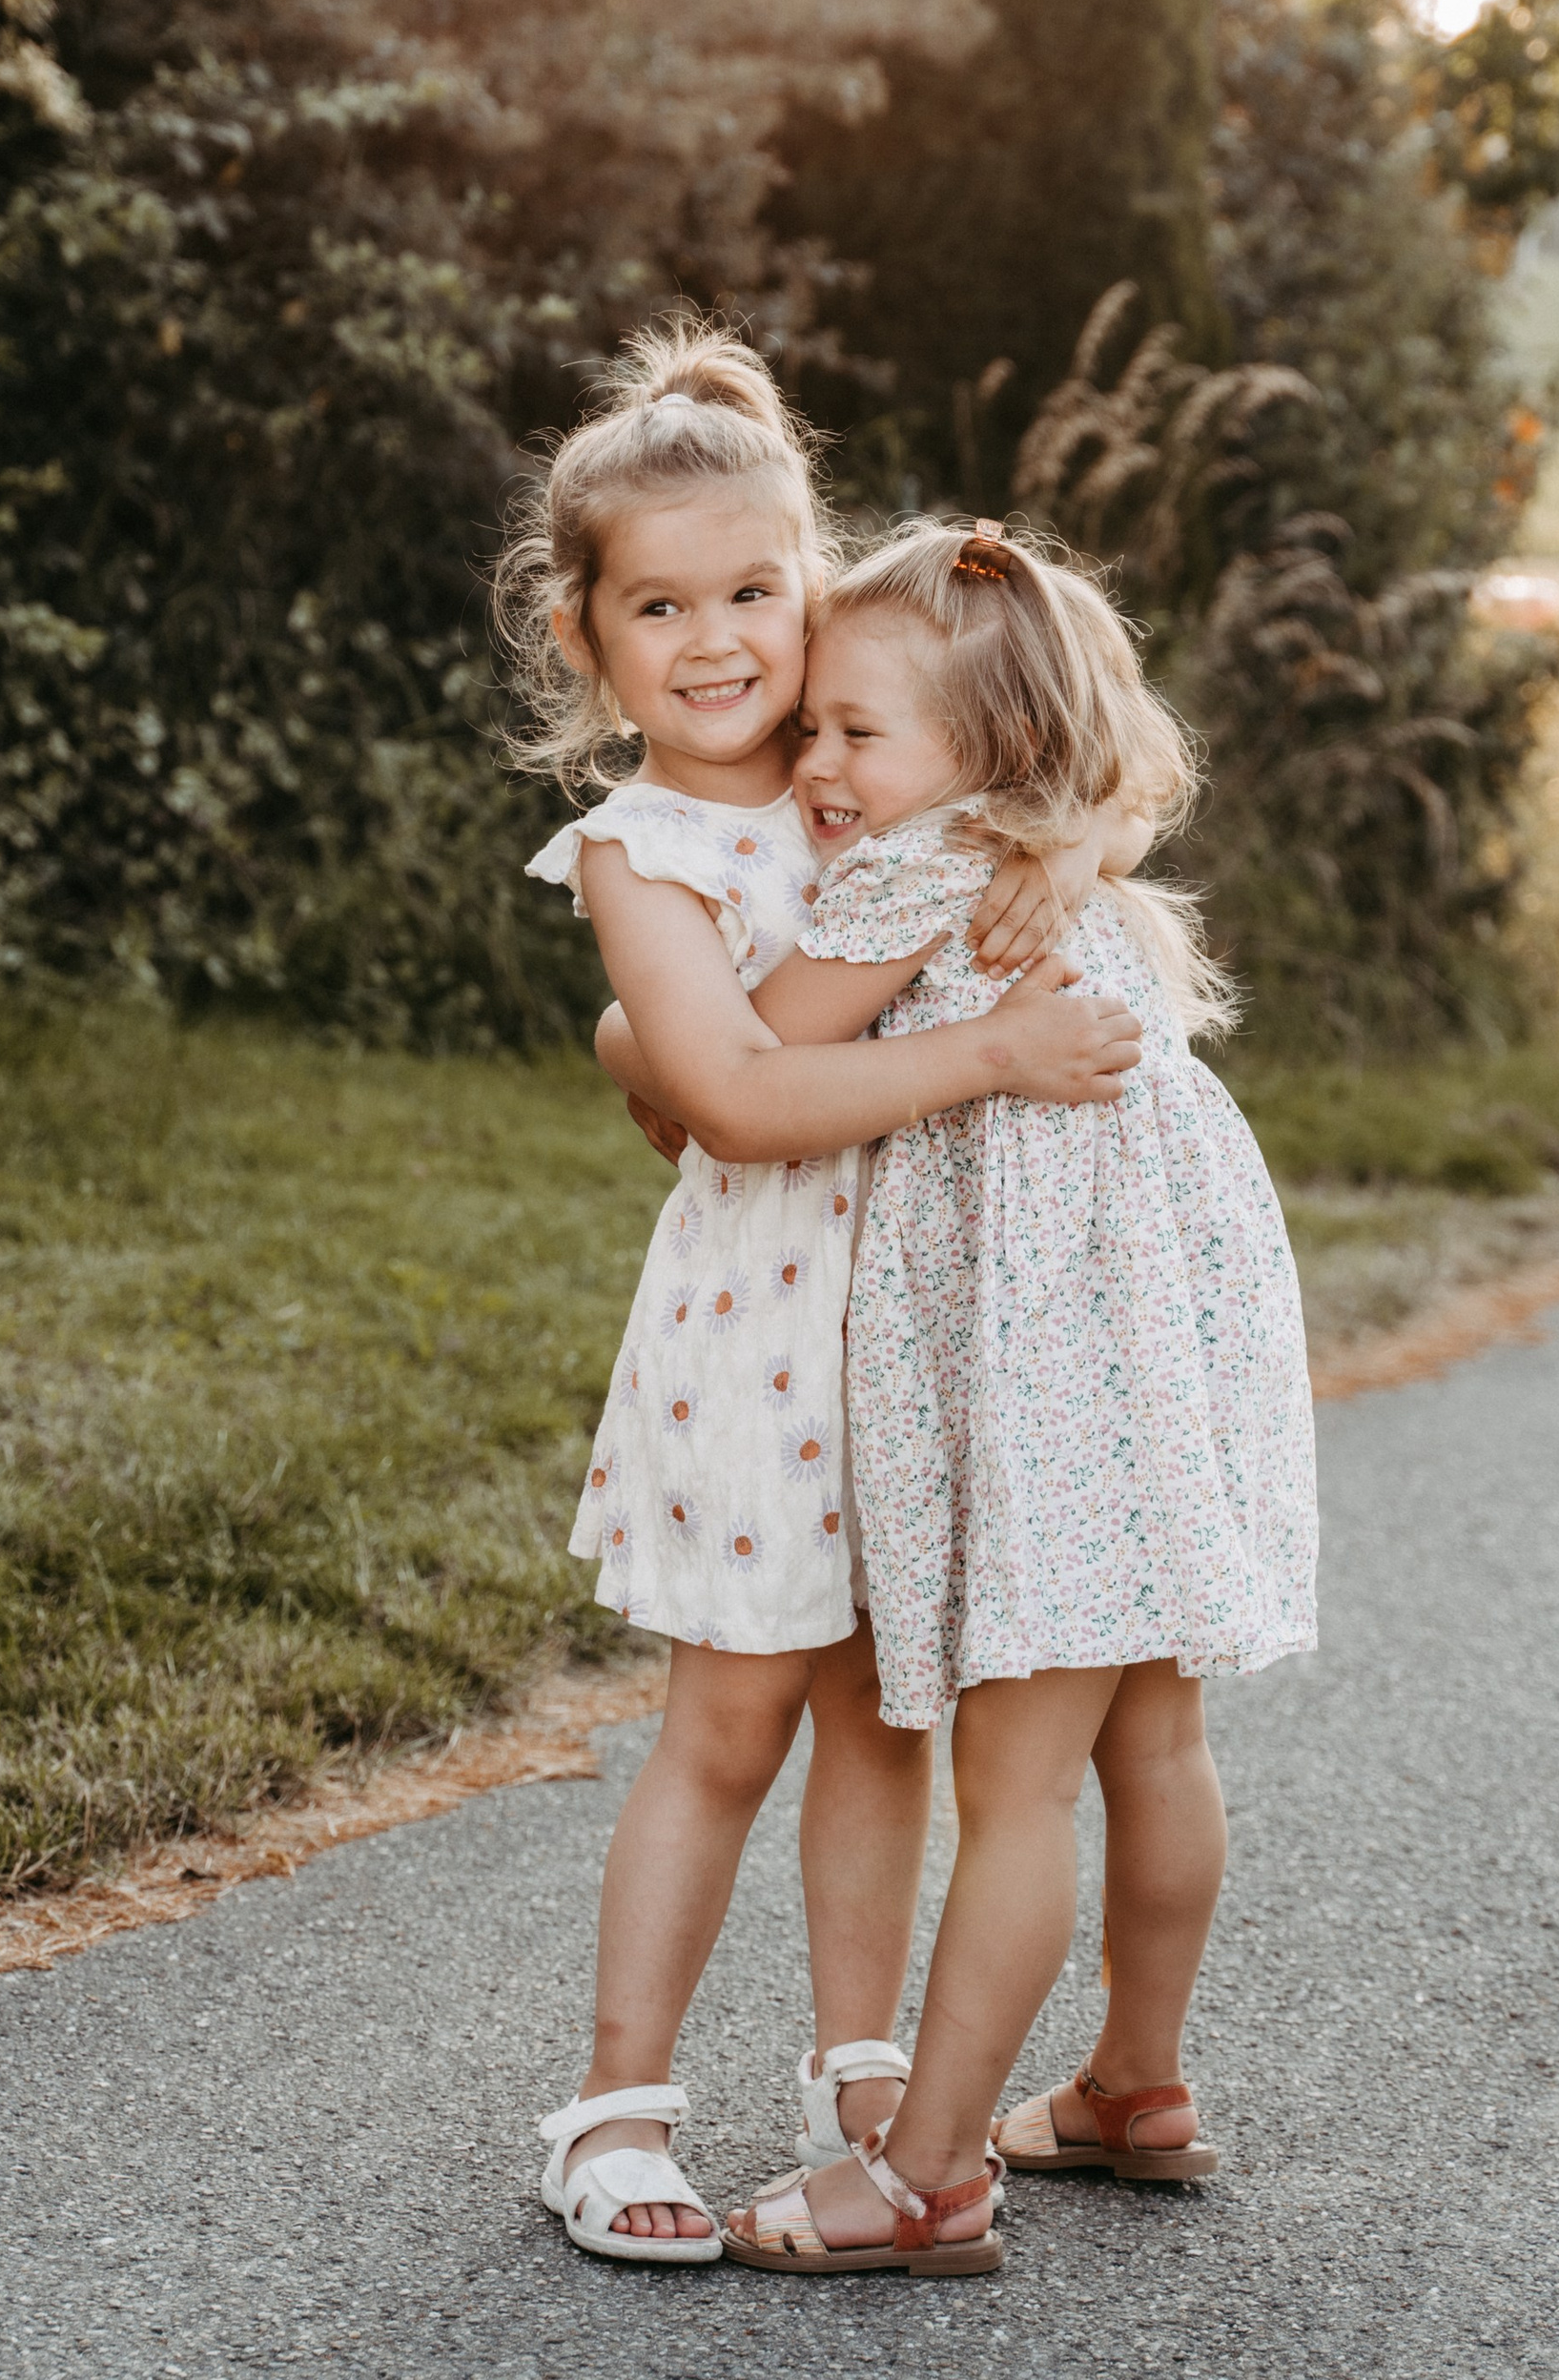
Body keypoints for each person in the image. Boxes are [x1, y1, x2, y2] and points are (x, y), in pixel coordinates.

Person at [503, 333, 1144, 2266]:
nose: (718, 644)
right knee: (724, 1726)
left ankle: (861, 2073)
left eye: (754, 592)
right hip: (758, 1345)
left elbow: (1050, 780)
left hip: (926, 1339)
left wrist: (1068, 854)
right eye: (660, 607)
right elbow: (738, 1097)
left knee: (883, 1720)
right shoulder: (646, 848)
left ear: (811, 585)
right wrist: (986, 1057)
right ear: (585, 635)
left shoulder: (854, 768)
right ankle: (615, 2109)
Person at [711, 517, 1320, 2280]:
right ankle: (1137, 2085)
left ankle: (922, 2180)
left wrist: (626, 1037)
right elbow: (1119, 788)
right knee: (1156, 1737)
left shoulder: (918, 872)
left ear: (993, 756)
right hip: (1167, 1359)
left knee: (1020, 1781)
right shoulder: (1070, 856)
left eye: (856, 733)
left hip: (1061, 1374)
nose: (819, 764)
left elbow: (745, 1055)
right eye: (809, 725)